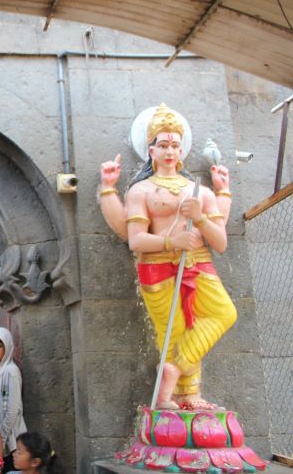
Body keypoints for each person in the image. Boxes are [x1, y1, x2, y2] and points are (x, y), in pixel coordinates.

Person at [98, 103, 237, 410]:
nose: (170, 151)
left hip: (198, 262)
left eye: (175, 145)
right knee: (173, 331)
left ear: (182, 151)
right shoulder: (141, 191)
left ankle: (173, 371)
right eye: (163, 145)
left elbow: (221, 242)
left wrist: (200, 219)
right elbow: (136, 240)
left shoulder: (199, 191)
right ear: (151, 151)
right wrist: (171, 240)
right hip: (157, 267)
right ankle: (183, 396)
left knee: (224, 313)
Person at [0, 327, 27, 471]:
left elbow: (13, 409)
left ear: (7, 347)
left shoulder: (11, 371)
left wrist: (1, 438)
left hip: (11, 440)